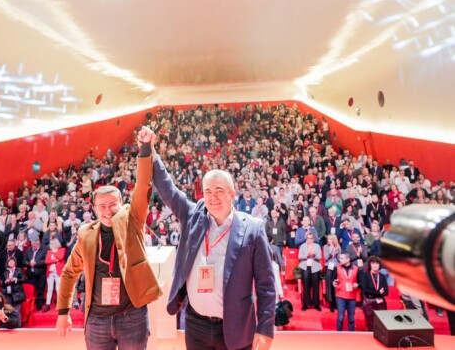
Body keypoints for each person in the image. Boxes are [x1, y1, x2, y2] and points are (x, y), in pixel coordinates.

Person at [149, 126, 276, 350]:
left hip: (235, 326)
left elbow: (266, 285)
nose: (213, 197)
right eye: (208, 191)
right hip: (196, 325)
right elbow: (167, 189)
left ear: (232, 194)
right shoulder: (192, 217)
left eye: (219, 190)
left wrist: (265, 328)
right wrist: (150, 150)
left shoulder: (253, 229)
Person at [55, 128, 162, 350]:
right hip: (97, 321)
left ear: (121, 203)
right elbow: (68, 273)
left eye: (112, 204)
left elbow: (143, 186)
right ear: (94, 208)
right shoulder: (86, 234)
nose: (108, 210)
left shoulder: (132, 220)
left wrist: (144, 148)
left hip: (131, 317)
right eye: (102, 206)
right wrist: (63, 312)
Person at [332, 252, 360, 331]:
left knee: (351, 318)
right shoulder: (337, 268)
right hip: (340, 295)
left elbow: (360, 282)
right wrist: (334, 282)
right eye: (339, 258)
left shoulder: (356, 268)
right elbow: (332, 280)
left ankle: (351, 336)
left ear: (348, 259)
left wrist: (357, 285)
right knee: (340, 317)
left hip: (352, 296)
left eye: (342, 258)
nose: (339, 260)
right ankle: (339, 335)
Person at [362, 256, 389, 331]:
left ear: (380, 265)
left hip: (380, 303)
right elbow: (365, 290)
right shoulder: (365, 275)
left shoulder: (382, 276)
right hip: (369, 302)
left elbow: (386, 292)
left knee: (382, 324)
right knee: (370, 324)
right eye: (373, 263)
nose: (375, 265)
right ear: (370, 265)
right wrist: (379, 293)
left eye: (377, 263)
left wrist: (373, 293)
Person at [298, 232, 322, 311]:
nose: (309, 240)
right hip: (305, 266)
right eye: (307, 238)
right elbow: (300, 256)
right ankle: (306, 303)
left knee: (316, 286)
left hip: (315, 266)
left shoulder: (317, 246)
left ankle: (316, 304)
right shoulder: (302, 246)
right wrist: (307, 255)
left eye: (310, 238)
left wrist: (314, 255)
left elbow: (319, 257)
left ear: (313, 239)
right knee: (306, 286)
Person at [43, 238, 66, 312]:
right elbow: (46, 261)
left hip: (58, 271)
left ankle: (59, 305)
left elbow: (61, 257)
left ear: (56, 244)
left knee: (58, 289)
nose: (51, 245)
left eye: (52, 244)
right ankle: (47, 304)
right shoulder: (49, 251)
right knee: (49, 289)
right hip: (50, 272)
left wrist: (54, 253)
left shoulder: (62, 250)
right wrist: (55, 260)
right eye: (51, 244)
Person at [323, 234, 341, 312]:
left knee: (335, 284)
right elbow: (326, 258)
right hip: (328, 266)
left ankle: (336, 302)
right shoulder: (326, 247)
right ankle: (331, 303)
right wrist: (331, 252)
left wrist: (336, 252)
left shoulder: (338, 247)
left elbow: (339, 258)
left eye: (330, 239)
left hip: (336, 266)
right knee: (329, 284)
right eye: (328, 239)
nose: (329, 241)